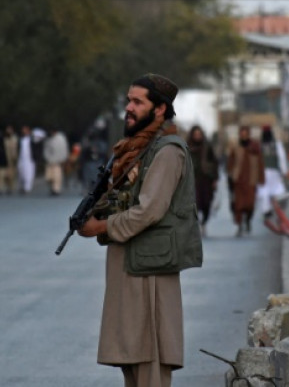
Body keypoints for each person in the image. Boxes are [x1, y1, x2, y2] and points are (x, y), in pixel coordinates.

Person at [77, 73, 202, 387]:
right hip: (129, 266)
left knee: (150, 359)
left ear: (159, 109)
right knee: (131, 359)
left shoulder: (167, 151)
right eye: (127, 101)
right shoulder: (135, 149)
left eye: (137, 102)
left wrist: (102, 226)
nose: (128, 108)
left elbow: (150, 211)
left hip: (150, 272)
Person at [226, 126, 264, 237]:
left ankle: (247, 220)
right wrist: (230, 174)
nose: (243, 135)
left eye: (245, 133)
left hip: (251, 180)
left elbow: (260, 164)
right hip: (238, 180)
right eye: (242, 133)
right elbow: (231, 163)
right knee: (238, 205)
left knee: (250, 204)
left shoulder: (254, 148)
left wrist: (261, 178)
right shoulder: (236, 148)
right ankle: (239, 225)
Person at [186, 125, 219, 237]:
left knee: (206, 203)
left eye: (199, 134)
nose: (197, 136)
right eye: (195, 134)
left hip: (206, 179)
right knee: (196, 203)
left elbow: (214, 163)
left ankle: (204, 222)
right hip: (193, 179)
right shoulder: (187, 147)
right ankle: (197, 225)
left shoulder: (207, 147)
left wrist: (215, 179)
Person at [257, 126, 288, 221]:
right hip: (274, 171)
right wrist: (284, 171)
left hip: (262, 172)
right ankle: (279, 210)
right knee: (277, 190)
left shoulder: (259, 146)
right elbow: (282, 158)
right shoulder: (277, 144)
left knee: (264, 190)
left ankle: (266, 211)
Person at [0, 126, 18, 195]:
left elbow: (15, 150)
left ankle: (9, 188)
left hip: (10, 161)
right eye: (8, 130)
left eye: (10, 130)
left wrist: (15, 158)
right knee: (0, 176)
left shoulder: (14, 139)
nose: (9, 132)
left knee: (10, 177)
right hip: (1, 160)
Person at [43, 129, 69, 196]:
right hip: (50, 161)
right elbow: (46, 149)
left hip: (58, 161)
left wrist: (63, 158)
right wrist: (47, 157)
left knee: (57, 177)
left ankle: (56, 189)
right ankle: (52, 188)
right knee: (49, 177)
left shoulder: (61, 139)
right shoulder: (48, 139)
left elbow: (64, 149)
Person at [17, 125, 36, 194]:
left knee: (28, 173)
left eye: (25, 130)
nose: (24, 131)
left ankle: (27, 188)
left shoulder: (32, 139)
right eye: (23, 130)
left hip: (29, 159)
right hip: (21, 158)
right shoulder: (21, 139)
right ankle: (22, 186)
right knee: (21, 173)